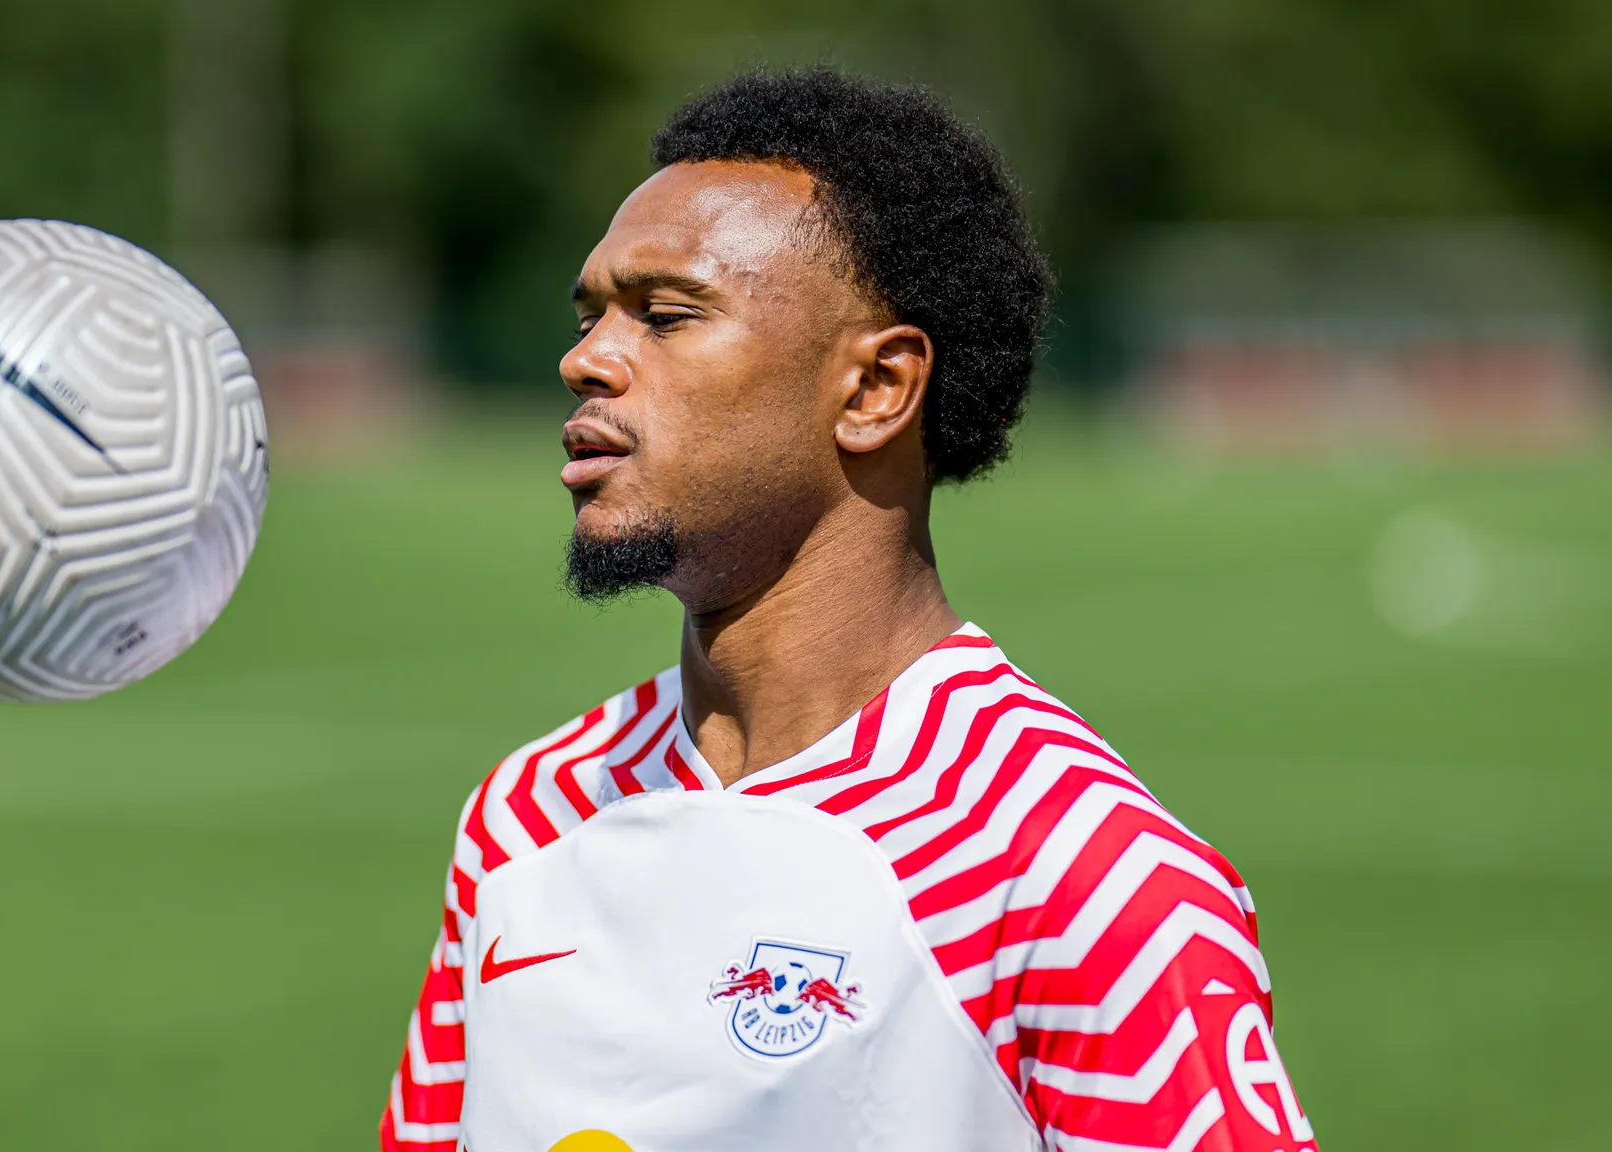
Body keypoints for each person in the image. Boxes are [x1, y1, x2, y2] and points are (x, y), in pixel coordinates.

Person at [379, 68, 1315, 1152]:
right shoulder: (525, 820)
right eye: (590, 316)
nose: (584, 360)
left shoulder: (1075, 869)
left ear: (873, 389)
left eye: (666, 316)